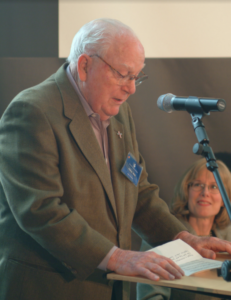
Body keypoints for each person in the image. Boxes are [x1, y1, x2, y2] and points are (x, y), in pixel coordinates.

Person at [0, 18, 231, 300]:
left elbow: (139, 192)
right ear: (85, 66)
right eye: (123, 74)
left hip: (111, 289)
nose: (131, 89)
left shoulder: (120, 113)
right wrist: (117, 258)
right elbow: (39, 210)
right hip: (50, 288)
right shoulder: (32, 111)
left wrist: (183, 238)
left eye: (137, 77)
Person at [137, 158, 231, 300]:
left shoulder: (227, 235)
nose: (205, 192)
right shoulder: (161, 234)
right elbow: (150, 296)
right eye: (198, 184)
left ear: (225, 198)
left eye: (214, 187)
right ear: (186, 191)